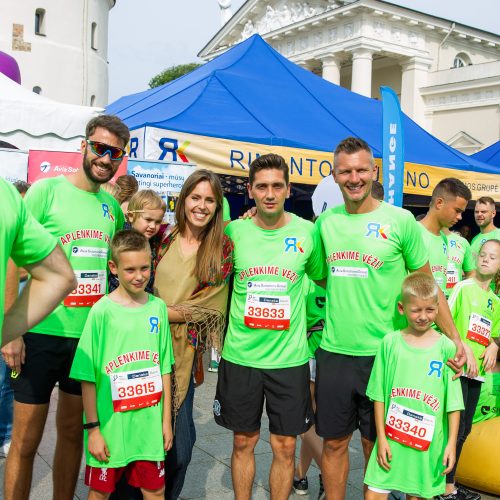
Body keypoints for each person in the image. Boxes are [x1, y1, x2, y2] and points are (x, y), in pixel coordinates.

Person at [315, 137, 465, 499]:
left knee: (375, 448)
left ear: (373, 171)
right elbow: (322, 275)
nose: (354, 178)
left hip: (386, 355)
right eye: (346, 171)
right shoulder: (325, 224)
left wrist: (455, 340)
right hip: (336, 352)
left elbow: (428, 286)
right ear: (334, 176)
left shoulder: (399, 221)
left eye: (361, 170)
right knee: (333, 445)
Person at [3, 115, 128, 500]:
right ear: (83, 146)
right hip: (41, 332)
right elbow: (12, 260)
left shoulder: (112, 208)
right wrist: (12, 332)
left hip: (87, 340)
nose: (105, 158)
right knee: (26, 440)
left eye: (114, 153)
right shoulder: (45, 192)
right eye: (99, 147)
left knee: (73, 435)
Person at [214, 154, 325, 500]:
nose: (270, 194)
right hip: (241, 357)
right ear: (250, 191)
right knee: (243, 441)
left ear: (289, 190)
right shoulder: (234, 231)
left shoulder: (308, 232)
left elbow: (322, 278)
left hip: (289, 361)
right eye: (262, 186)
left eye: (277, 186)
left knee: (284, 446)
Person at [69, 230, 174, 499]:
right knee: (99, 493)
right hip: (110, 427)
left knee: (155, 491)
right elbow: (87, 376)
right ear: (113, 267)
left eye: (144, 267)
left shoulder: (158, 308)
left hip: (148, 428)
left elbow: (164, 368)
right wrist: (93, 429)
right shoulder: (101, 311)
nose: (139, 276)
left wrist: (166, 421)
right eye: (130, 270)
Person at [154, 169, 233, 499]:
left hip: (183, 355)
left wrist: (152, 312)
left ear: (217, 207)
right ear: (183, 198)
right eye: (195, 197)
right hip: (142, 349)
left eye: (209, 200)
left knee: (180, 449)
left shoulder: (221, 249)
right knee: (143, 439)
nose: (201, 206)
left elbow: (209, 307)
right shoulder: (163, 237)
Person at [364, 272, 463, 500]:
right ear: (402, 308)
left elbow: (454, 403)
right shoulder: (389, 343)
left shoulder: (446, 348)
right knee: (374, 494)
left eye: (429, 310)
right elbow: (378, 394)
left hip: (428, 446)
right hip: (391, 440)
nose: (423, 316)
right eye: (416, 310)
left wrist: (450, 445)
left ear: (438, 308)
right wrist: (381, 438)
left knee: (417, 496)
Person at [442, 239, 500, 500]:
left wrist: (494, 346)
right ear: (476, 258)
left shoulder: (495, 301)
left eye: (493, 257)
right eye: (483, 255)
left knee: (464, 430)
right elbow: (444, 322)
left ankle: (450, 484)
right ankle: (441, 486)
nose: (486, 259)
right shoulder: (464, 288)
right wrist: (462, 344)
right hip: (456, 369)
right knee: (449, 428)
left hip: (477, 373)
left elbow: (494, 333)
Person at [293, 276, 326, 499]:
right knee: (304, 422)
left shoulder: (339, 271)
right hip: (306, 355)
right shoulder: (305, 278)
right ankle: (329, 471)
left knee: (312, 422)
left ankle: (300, 474)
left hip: (335, 356)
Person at [418, 178, 472, 294]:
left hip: (440, 305)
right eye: (457, 211)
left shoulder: (443, 238)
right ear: (439, 203)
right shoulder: (413, 232)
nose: (460, 217)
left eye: (461, 212)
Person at [109, 189, 166, 295]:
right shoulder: (124, 242)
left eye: (158, 222)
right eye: (148, 220)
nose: (153, 226)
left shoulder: (152, 241)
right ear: (131, 216)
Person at [443, 228, 475, 295]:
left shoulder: (462, 242)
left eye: (467, 231)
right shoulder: (421, 236)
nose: (459, 217)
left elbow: (471, 273)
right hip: (428, 299)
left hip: (455, 298)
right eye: (463, 230)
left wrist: (465, 295)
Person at [471, 197, 500, 263]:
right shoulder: (474, 239)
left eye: (483, 212)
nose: (479, 214)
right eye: (476, 212)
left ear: (493, 214)